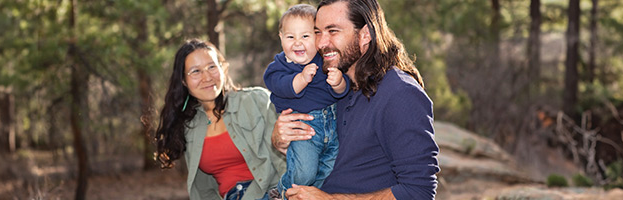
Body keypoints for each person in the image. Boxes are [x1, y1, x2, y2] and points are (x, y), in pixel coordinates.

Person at [272, 0, 441, 199]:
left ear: (365, 35)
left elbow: (419, 192)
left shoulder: (399, 93)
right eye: (317, 32)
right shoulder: (331, 86)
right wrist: (282, 140)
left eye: (333, 31)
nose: (321, 43)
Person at [154, 39, 285, 200]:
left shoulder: (256, 100)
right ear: (183, 81)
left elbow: (286, 156)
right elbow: (204, 189)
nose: (207, 77)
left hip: (272, 193)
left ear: (222, 68)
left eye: (211, 67)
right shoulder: (189, 127)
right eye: (196, 71)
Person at [262, 4, 350, 199]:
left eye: (305, 36)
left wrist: (339, 83)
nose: (297, 43)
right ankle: (284, 191)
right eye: (290, 37)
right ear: (281, 38)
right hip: (304, 130)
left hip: (332, 126)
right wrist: (301, 79)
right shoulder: (280, 66)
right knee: (305, 172)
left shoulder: (324, 61)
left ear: (317, 38)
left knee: (328, 170)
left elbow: (342, 92)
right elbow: (281, 86)